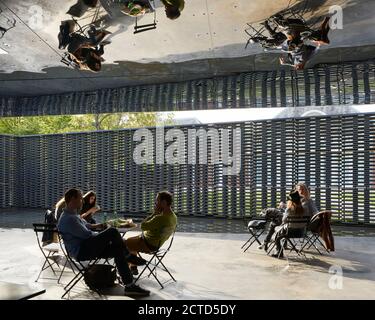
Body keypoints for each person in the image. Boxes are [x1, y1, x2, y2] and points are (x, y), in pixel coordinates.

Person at [57, 188, 150, 297]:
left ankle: (129, 285)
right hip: (82, 251)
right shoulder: (69, 219)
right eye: (81, 199)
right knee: (113, 232)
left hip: (87, 246)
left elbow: (87, 226)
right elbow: (87, 235)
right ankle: (128, 255)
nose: (83, 201)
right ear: (73, 199)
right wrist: (105, 236)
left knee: (117, 250)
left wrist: (101, 226)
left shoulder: (73, 215)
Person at [125, 191, 177, 275]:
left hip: (148, 244)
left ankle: (125, 272)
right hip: (157, 243)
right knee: (130, 242)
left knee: (125, 243)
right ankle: (133, 267)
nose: (155, 203)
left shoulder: (160, 218)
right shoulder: (173, 216)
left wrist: (154, 213)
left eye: (157, 201)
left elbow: (143, 226)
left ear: (163, 202)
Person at [270, 190, 307, 258]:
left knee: (277, 231)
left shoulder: (289, 209)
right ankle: (281, 248)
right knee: (281, 229)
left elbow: (284, 220)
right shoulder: (305, 209)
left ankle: (279, 251)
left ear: (291, 201)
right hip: (302, 232)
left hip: (289, 232)